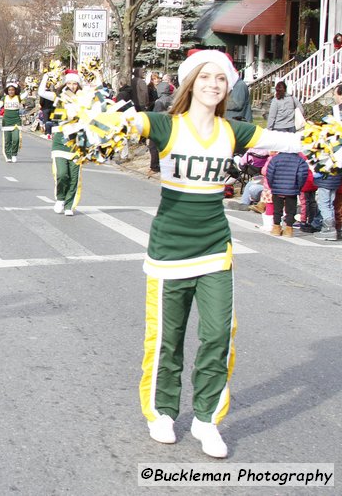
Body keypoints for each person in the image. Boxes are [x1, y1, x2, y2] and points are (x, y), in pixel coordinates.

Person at [118, 50, 303, 458]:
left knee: (219, 333)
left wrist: (324, 137)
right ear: (190, 83)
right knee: (168, 337)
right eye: (205, 77)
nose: (213, 84)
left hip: (215, 246)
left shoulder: (233, 131)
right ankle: (163, 411)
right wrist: (104, 122)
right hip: (169, 248)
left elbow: (288, 140)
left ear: (228, 88)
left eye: (221, 79)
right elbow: (126, 122)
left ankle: (206, 419)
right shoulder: (165, 124)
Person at [39, 69, 83, 215]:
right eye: (69, 83)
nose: (72, 86)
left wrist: (97, 76)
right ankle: (60, 198)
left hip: (76, 139)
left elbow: (99, 94)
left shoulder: (82, 98)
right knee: (62, 174)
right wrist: (46, 77)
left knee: (74, 176)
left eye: (75, 83)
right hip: (60, 138)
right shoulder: (58, 97)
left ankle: (69, 205)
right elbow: (41, 93)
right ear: (65, 84)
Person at [263, 150, 308, 237]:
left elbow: (270, 173)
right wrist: (298, 186)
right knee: (290, 210)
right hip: (292, 188)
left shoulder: (275, 159)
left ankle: (276, 227)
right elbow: (302, 175)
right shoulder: (300, 160)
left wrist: (272, 185)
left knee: (277, 209)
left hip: (277, 187)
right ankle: (288, 229)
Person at [0, 82, 23, 162]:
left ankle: (14, 154)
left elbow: (26, 94)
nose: (11, 91)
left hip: (16, 121)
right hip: (7, 121)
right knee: (7, 140)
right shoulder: (4, 98)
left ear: (15, 91)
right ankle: (8, 155)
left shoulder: (18, 98)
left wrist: (28, 86)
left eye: (13, 90)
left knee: (16, 139)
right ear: (7, 91)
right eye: (9, 90)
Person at [146, 83, 175, 177]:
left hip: (160, 126)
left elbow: (156, 114)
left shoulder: (160, 101)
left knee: (153, 146)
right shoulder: (172, 99)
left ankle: (154, 167)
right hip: (170, 127)